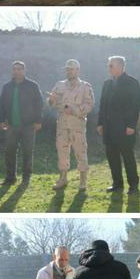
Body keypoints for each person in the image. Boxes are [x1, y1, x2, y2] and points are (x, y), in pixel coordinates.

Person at [47, 59, 94, 191]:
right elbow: (52, 102)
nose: (69, 71)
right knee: (62, 151)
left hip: (77, 124)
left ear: (78, 70)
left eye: (72, 69)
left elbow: (89, 105)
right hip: (62, 124)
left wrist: (74, 111)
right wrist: (51, 101)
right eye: (67, 69)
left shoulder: (85, 86)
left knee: (80, 151)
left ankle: (83, 180)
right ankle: (63, 178)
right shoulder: (59, 85)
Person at [97, 56, 140, 194]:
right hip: (109, 128)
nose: (108, 68)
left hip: (124, 128)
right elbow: (102, 105)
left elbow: (136, 105)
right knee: (112, 157)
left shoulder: (132, 82)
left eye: (111, 66)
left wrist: (131, 126)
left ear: (121, 66)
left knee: (128, 157)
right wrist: (100, 123)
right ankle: (117, 184)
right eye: (108, 65)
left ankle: (133, 185)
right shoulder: (107, 83)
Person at [0, 61, 44, 185]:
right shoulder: (7, 87)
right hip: (11, 125)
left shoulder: (32, 85)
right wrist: (2, 120)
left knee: (28, 151)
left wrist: (38, 121)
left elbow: (39, 104)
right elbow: (2, 104)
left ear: (24, 71)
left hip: (28, 125)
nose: (16, 71)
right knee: (9, 151)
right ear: (12, 71)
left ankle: (26, 178)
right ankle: (10, 178)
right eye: (14, 69)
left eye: (19, 69)